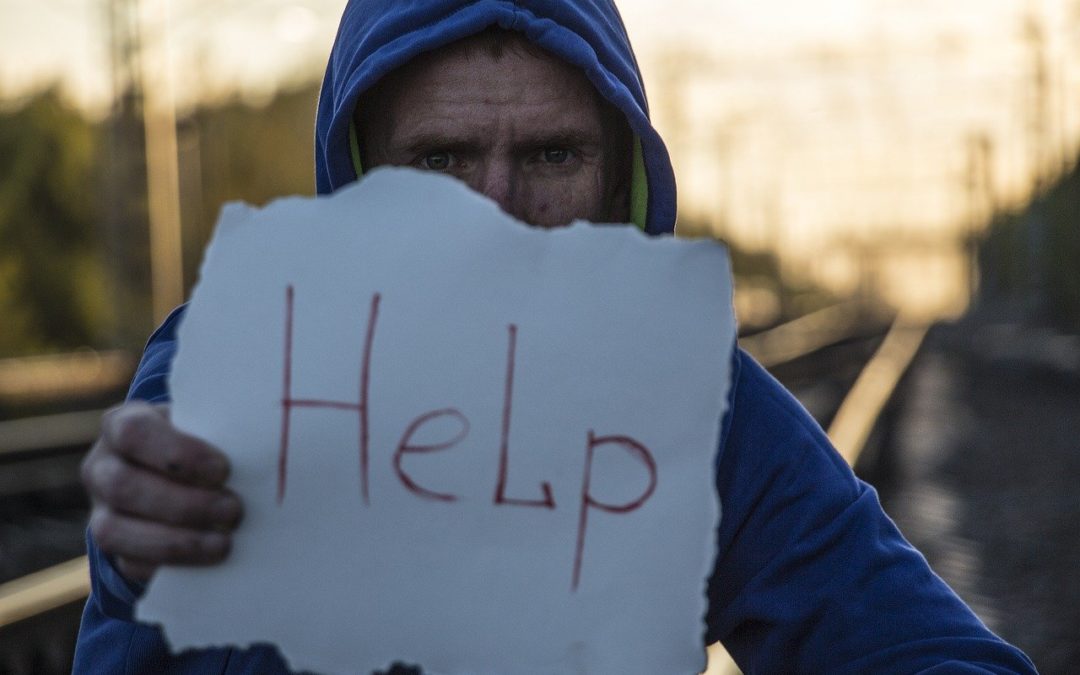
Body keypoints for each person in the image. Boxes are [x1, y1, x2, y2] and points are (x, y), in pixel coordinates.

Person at [74, 1, 1037, 673]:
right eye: (440, 158)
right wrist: (140, 540)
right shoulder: (247, 360)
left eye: (551, 155)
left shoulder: (693, 405)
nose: (497, 213)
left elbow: (930, 652)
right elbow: (157, 491)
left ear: (619, 182)